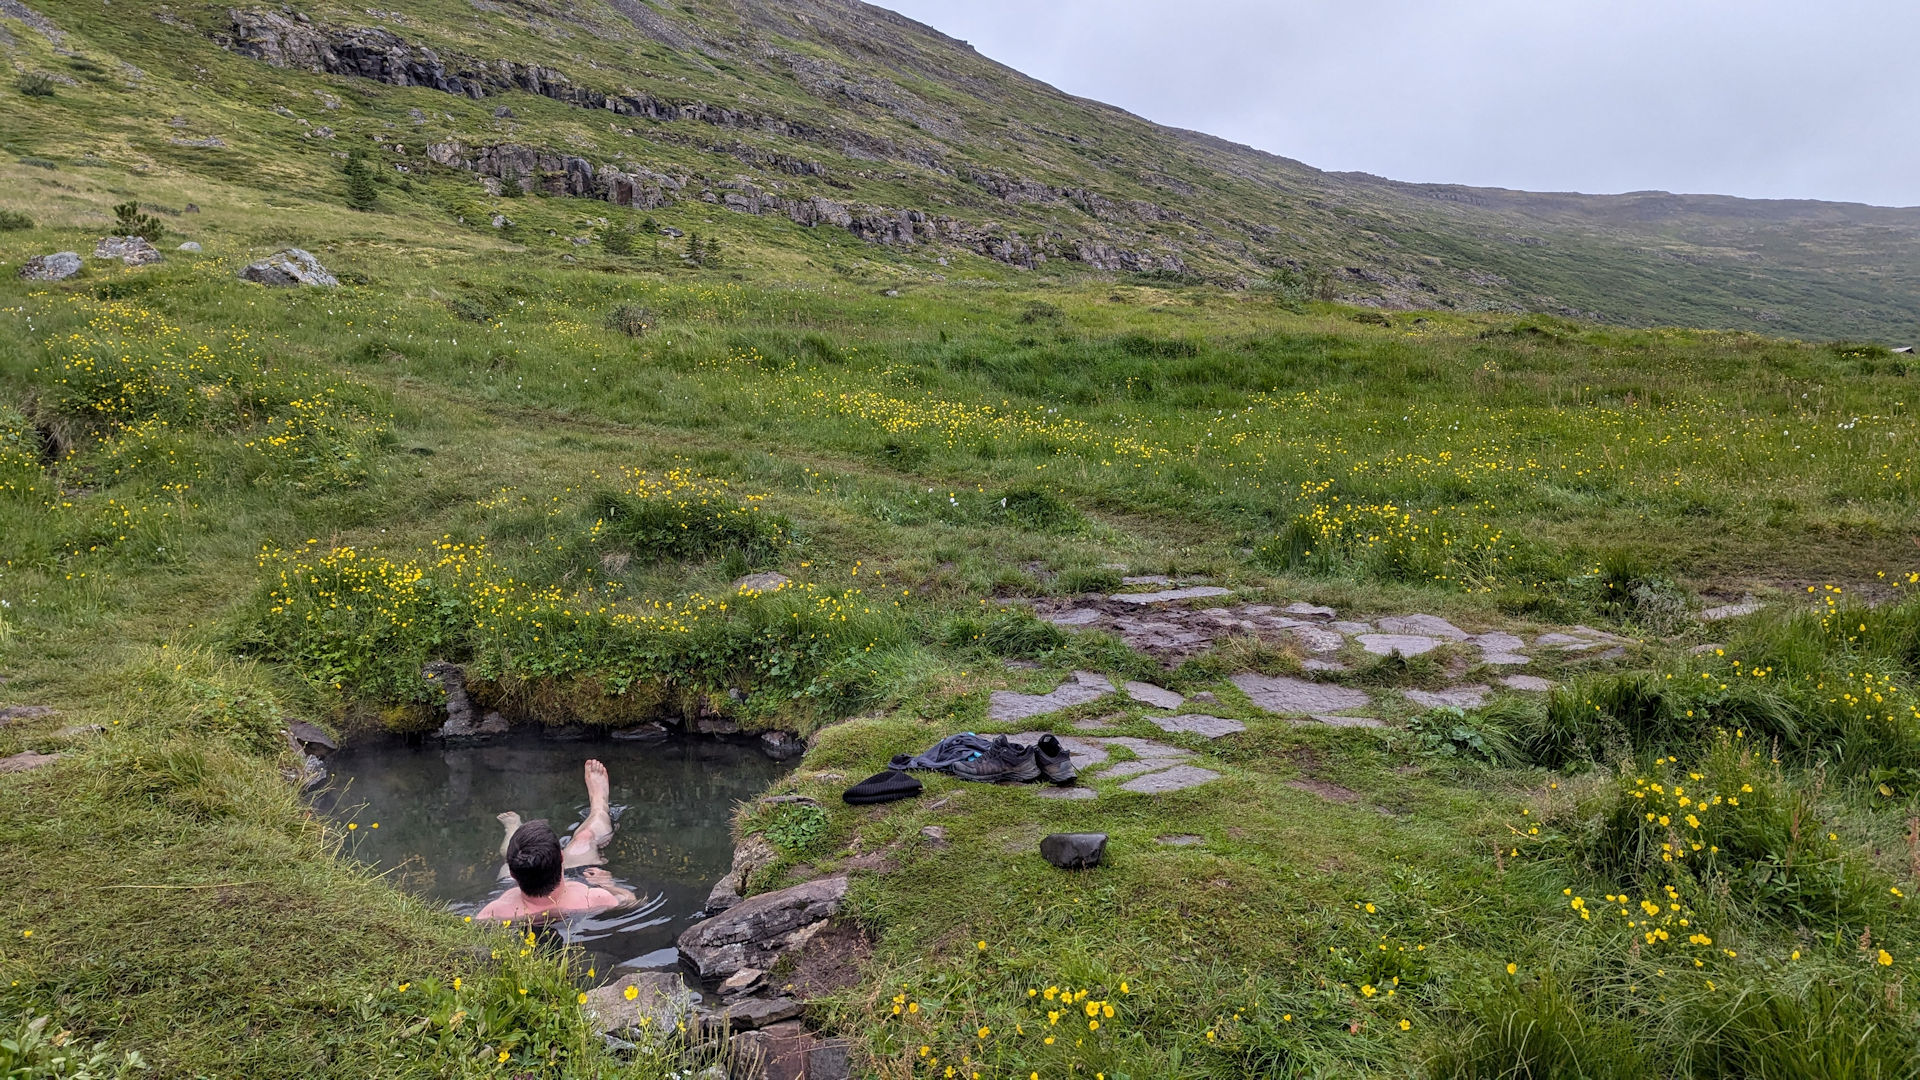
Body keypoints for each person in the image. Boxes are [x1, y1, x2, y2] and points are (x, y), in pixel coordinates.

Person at [477, 759, 637, 921]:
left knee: (513, 856)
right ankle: (599, 806)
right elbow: (631, 901)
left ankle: (512, 828)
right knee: (585, 837)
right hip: (578, 878)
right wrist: (609, 885)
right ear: (562, 857)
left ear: (513, 875)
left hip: (515, 889)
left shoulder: (494, 911)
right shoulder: (593, 898)